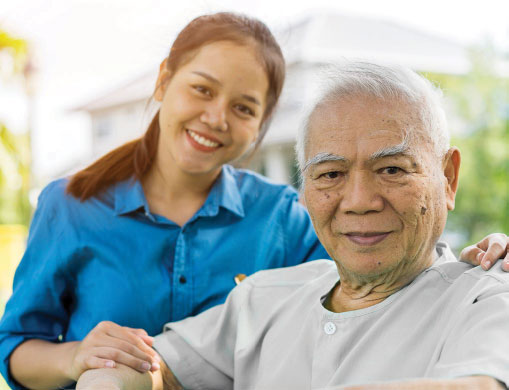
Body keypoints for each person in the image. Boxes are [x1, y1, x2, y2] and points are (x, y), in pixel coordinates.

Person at [0, 12, 506, 389]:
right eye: (202, 89)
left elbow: (376, 273)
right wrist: (77, 361)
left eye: (392, 169)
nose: (357, 200)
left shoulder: (281, 216)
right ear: (164, 81)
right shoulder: (72, 203)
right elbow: (17, 346)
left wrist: (485, 257)